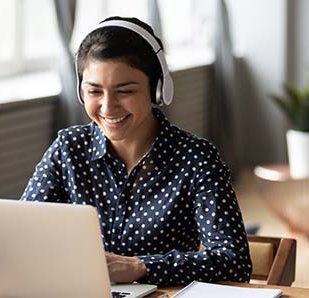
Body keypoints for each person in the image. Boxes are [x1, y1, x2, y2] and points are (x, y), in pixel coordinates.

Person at [21, 16, 252, 286]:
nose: (108, 108)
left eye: (125, 91)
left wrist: (141, 267)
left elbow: (234, 261)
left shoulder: (197, 159)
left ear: (157, 90)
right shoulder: (68, 148)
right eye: (95, 91)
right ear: (80, 91)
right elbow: (24, 233)